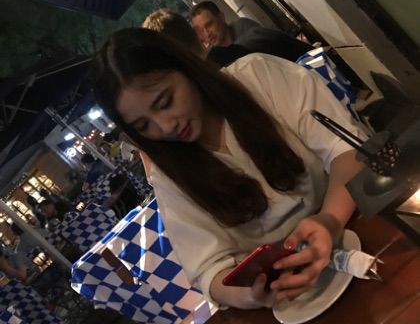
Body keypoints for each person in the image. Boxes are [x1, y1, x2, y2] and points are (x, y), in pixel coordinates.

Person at [92, 28, 365, 309]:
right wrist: (250, 295)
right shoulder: (169, 176)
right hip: (296, 291)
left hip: (360, 219)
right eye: (143, 125)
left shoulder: (258, 76)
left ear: (185, 68)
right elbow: (208, 270)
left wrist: (329, 219)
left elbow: (346, 151)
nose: (165, 126)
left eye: (165, 102)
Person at [190, 1, 260, 48]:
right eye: (201, 31)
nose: (207, 34)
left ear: (221, 17)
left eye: (209, 25)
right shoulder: (214, 57)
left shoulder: (243, 26)